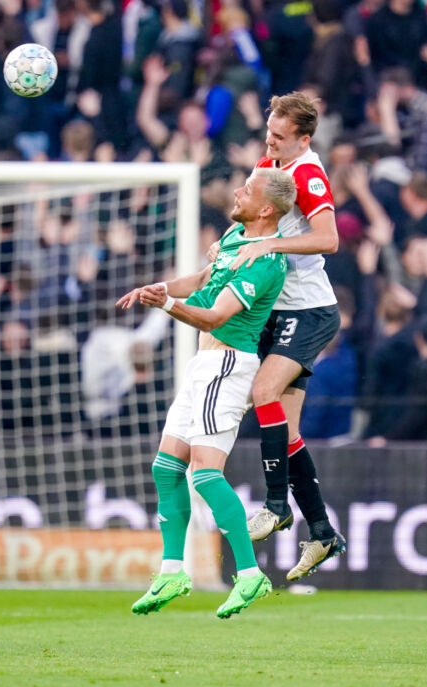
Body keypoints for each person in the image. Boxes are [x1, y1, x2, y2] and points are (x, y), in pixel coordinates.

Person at [115, 167, 294, 619]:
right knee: (165, 467)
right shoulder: (236, 236)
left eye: (248, 190)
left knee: (205, 474)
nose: (237, 191)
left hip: (228, 364)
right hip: (203, 366)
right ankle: (173, 570)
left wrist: (170, 306)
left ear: (267, 208)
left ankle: (250, 574)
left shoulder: (267, 261)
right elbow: (201, 280)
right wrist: (161, 289)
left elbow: (214, 315)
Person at [226, 92, 345, 582]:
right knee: (285, 429)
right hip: (282, 310)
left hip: (309, 308)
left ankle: (275, 506)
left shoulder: (308, 174)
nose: (270, 143)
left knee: (263, 392)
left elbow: (329, 239)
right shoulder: (271, 164)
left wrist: (270, 244)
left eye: (279, 137)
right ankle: (321, 533)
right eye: (268, 133)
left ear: (304, 139)